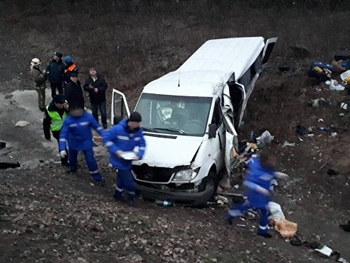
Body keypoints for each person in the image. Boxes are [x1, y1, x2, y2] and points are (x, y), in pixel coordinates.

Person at [225, 151, 289, 238]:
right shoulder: (256, 170)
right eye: (271, 160)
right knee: (254, 208)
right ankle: (231, 216)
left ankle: (261, 230)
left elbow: (268, 175)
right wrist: (260, 189)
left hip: (263, 196)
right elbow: (248, 182)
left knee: (258, 210)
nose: (273, 162)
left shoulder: (268, 167)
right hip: (255, 195)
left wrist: (277, 175)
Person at [103, 112, 146, 206]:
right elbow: (106, 139)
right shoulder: (117, 129)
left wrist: (140, 154)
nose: (139, 125)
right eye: (137, 123)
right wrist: (116, 150)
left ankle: (117, 194)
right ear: (131, 122)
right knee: (128, 179)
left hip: (128, 159)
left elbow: (142, 144)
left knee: (121, 179)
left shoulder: (138, 131)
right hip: (118, 159)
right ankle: (131, 197)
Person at [58, 105, 105, 186]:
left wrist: (106, 136)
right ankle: (73, 169)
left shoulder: (87, 117)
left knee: (90, 160)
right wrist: (62, 148)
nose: (76, 112)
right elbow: (63, 134)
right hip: (73, 142)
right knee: (72, 158)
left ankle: (97, 178)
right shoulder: (68, 120)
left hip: (86, 142)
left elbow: (97, 127)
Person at [43, 95, 69, 166]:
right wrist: (47, 135)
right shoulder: (49, 110)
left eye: (62, 105)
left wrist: (67, 109)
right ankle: (64, 161)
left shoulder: (65, 106)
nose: (61, 106)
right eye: (60, 105)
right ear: (55, 103)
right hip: (57, 130)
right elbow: (46, 124)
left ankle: (72, 160)